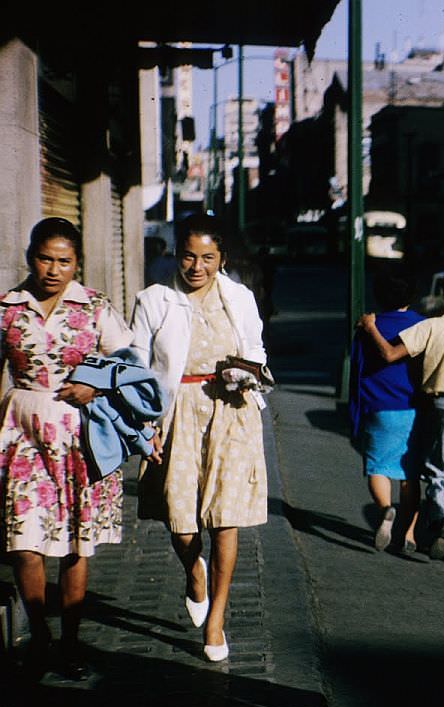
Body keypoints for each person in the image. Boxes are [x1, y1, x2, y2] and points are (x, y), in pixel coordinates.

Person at [129, 213, 271, 663]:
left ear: (221, 259)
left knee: (225, 517)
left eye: (208, 258)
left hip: (231, 413)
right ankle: (194, 573)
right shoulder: (154, 300)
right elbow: (136, 365)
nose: (197, 266)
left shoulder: (240, 297)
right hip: (178, 413)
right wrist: (143, 424)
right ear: (177, 254)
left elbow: (257, 349)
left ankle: (216, 620)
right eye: (189, 256)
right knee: (180, 514)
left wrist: (247, 371)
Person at [1, 217, 134, 680]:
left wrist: (94, 388)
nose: (53, 269)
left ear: (77, 263)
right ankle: (40, 637)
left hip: (80, 436)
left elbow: (127, 365)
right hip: (22, 433)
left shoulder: (96, 307)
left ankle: (71, 644)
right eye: (45, 258)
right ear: (29, 257)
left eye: (64, 261)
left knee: (77, 543)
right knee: (23, 542)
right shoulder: (7, 309)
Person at [358, 271, 444, 562]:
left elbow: (389, 355)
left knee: (438, 469)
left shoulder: (432, 327)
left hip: (442, 406)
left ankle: (442, 520)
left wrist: (371, 328)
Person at [349, 271, 425, 554]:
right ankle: (409, 534)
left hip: (378, 405)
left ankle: (384, 510)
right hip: (413, 406)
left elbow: (357, 370)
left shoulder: (369, 325)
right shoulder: (422, 325)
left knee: (378, 466)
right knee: (410, 473)